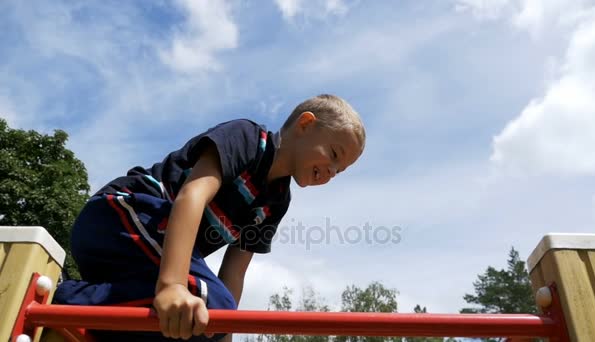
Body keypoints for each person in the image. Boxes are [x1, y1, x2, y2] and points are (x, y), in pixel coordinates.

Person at [54, 94, 366, 341]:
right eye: (334, 154)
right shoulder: (249, 139)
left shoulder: (276, 202)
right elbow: (193, 196)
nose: (331, 172)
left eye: (340, 170)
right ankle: (64, 297)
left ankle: (91, 312)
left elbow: (234, 272)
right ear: (305, 125)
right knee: (207, 305)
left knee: (200, 324)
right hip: (120, 217)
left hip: (141, 269)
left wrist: (220, 337)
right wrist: (172, 286)